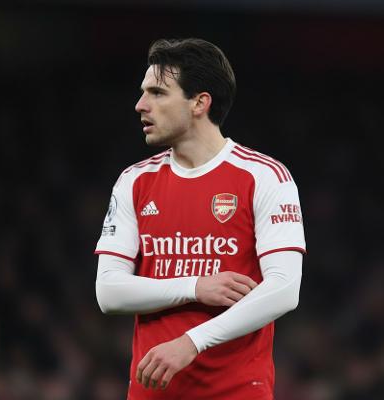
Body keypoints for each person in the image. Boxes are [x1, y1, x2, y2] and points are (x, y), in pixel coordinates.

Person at [94, 38, 306, 400]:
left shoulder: (264, 176)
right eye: (143, 93)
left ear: (199, 103)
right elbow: (109, 292)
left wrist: (192, 342)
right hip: (152, 393)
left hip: (236, 391)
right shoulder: (134, 181)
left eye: (157, 93)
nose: (140, 104)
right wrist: (194, 286)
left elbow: (284, 289)